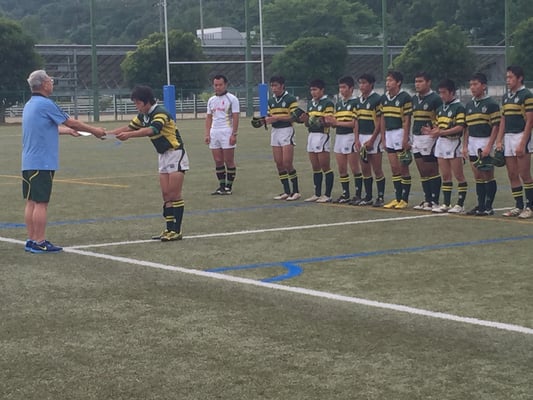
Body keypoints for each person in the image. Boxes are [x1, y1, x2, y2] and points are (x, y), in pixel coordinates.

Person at [21, 70, 106, 253]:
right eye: (50, 80)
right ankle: (40, 241)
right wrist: (95, 131)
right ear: (44, 84)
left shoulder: (29, 104)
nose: (52, 83)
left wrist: (68, 132)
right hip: (42, 162)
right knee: (41, 202)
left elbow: (46, 128)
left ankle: (32, 240)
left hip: (28, 161)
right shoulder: (46, 103)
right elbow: (71, 122)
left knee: (31, 201)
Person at [107, 85, 189, 241]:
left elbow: (152, 130)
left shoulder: (160, 113)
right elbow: (129, 127)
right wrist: (105, 134)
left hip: (175, 153)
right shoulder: (143, 116)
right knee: (166, 195)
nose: (136, 106)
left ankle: (177, 230)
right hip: (163, 155)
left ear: (146, 102)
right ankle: (168, 229)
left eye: (137, 103)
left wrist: (129, 135)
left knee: (174, 194)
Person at [422, 79, 468, 214]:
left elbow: (460, 127)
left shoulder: (459, 107)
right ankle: (446, 203)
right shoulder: (441, 109)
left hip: (453, 143)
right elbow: (438, 127)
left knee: (459, 175)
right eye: (440, 93)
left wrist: (441, 132)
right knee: (445, 175)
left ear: (452, 92)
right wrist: (431, 131)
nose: (441, 96)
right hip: (441, 143)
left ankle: (460, 204)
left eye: (444, 93)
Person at [495, 65, 533, 218]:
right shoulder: (506, 97)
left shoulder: (526, 95)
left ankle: (530, 207)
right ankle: (518, 205)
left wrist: (523, 143)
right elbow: (503, 119)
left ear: (520, 78)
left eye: (511, 77)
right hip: (508, 137)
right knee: (512, 173)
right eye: (507, 77)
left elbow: (530, 121)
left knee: (524, 173)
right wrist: (499, 140)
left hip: (521, 135)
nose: (508, 80)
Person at [463, 72, 500, 216]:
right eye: (471, 85)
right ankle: (481, 205)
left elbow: (496, 126)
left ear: (483, 86)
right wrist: (465, 145)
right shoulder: (469, 105)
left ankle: (488, 207)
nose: (472, 87)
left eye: (475, 84)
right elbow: (466, 127)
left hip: (485, 140)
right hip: (472, 142)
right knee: (478, 176)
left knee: (487, 174)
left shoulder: (491, 104)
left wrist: (489, 146)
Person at [324, 76, 362, 203]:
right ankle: (345, 194)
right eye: (340, 87)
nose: (341, 90)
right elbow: (336, 123)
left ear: (351, 88)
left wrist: (337, 123)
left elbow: (354, 123)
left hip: (350, 136)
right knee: (341, 168)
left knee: (354, 168)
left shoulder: (356, 102)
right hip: (339, 137)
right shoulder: (339, 104)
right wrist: (329, 122)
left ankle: (358, 194)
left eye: (344, 87)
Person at [264, 76, 301, 201]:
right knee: (279, 163)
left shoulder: (290, 99)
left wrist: (277, 118)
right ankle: (286, 191)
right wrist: (265, 120)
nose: (273, 88)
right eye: (272, 86)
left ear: (282, 85)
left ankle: (296, 191)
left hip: (286, 130)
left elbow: (294, 117)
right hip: (275, 132)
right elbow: (268, 116)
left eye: (276, 85)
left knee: (287, 162)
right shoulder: (270, 101)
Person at [410, 72, 443, 211]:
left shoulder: (436, 99)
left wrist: (435, 130)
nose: (417, 84)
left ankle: (435, 200)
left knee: (432, 170)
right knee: (422, 170)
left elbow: (442, 117)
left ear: (428, 82)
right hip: (416, 137)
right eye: (416, 81)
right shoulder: (414, 99)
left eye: (420, 81)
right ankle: (427, 200)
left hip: (429, 138)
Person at [380, 70, 413, 209]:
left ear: (398, 82)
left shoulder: (405, 97)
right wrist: (383, 137)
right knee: (394, 168)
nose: (387, 83)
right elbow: (382, 119)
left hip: (400, 132)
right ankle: (397, 198)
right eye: (387, 80)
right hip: (389, 133)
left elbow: (407, 119)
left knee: (403, 166)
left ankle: (404, 199)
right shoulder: (384, 98)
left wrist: (405, 138)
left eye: (391, 80)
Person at [299, 79, 335, 203]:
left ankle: (327, 194)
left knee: (325, 166)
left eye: (315, 90)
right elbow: (307, 124)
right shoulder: (310, 103)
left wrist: (318, 120)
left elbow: (328, 121)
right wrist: (305, 120)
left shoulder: (328, 103)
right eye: (311, 90)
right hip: (311, 136)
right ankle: (317, 193)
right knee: (315, 166)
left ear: (322, 90)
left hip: (322, 136)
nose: (313, 92)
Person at [354, 73, 386, 207]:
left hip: (374, 137)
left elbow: (379, 121)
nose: (361, 86)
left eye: (364, 83)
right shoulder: (358, 100)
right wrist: (356, 139)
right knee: (365, 169)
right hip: (361, 137)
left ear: (371, 84)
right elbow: (356, 121)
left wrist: (373, 139)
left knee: (377, 168)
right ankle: (368, 197)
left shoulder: (377, 99)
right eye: (360, 83)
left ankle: (380, 197)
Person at [204, 74, 240, 195]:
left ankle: (229, 187)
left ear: (225, 85)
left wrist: (234, 134)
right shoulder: (211, 100)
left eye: (220, 85)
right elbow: (209, 118)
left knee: (228, 160)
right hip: (214, 132)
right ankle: (221, 186)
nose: (218, 87)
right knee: (218, 160)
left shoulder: (232, 99)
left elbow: (235, 117)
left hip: (227, 131)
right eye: (216, 85)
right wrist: (207, 134)